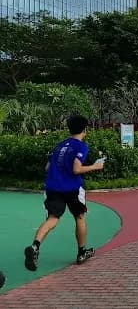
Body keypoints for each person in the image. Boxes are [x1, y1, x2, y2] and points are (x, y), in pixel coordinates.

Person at [24, 115, 104, 271]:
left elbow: (47, 167)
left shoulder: (59, 146)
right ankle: (81, 252)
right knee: (79, 216)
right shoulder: (81, 146)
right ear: (85, 130)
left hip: (53, 187)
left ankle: (35, 246)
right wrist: (96, 166)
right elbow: (76, 169)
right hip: (72, 188)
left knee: (52, 219)